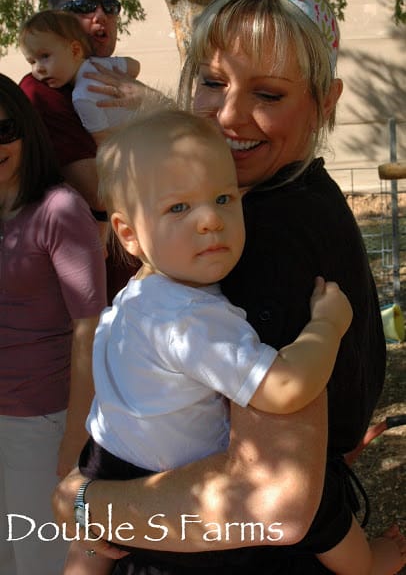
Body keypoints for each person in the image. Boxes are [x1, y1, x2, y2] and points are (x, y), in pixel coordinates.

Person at [53, 0, 395, 575]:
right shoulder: (255, 202)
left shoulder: (258, 233)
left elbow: (272, 500)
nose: (229, 117)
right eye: (211, 83)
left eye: (268, 94)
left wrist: (85, 505)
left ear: (325, 103)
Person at [63, 108, 354, 574]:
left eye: (223, 198)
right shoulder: (190, 318)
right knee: (314, 496)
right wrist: (328, 325)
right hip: (173, 498)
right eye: (179, 207)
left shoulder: (133, 298)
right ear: (128, 233)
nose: (210, 221)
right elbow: (284, 388)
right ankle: (368, 565)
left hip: (107, 464)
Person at [0, 73, 107, 575]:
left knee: (41, 559)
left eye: (5, 131)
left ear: (26, 131)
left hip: (41, 420)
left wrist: (73, 434)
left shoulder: (59, 210)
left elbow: (90, 327)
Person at [19, 0, 146, 302]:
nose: (100, 15)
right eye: (83, 6)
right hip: (93, 297)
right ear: (54, 19)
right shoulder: (40, 91)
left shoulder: (109, 75)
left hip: (144, 279)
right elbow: (100, 193)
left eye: (109, 6)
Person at [19, 10, 141, 147]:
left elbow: (104, 142)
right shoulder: (101, 64)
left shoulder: (82, 96)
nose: (38, 69)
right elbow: (135, 66)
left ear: (75, 50)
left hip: (138, 145)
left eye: (45, 56)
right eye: (32, 62)